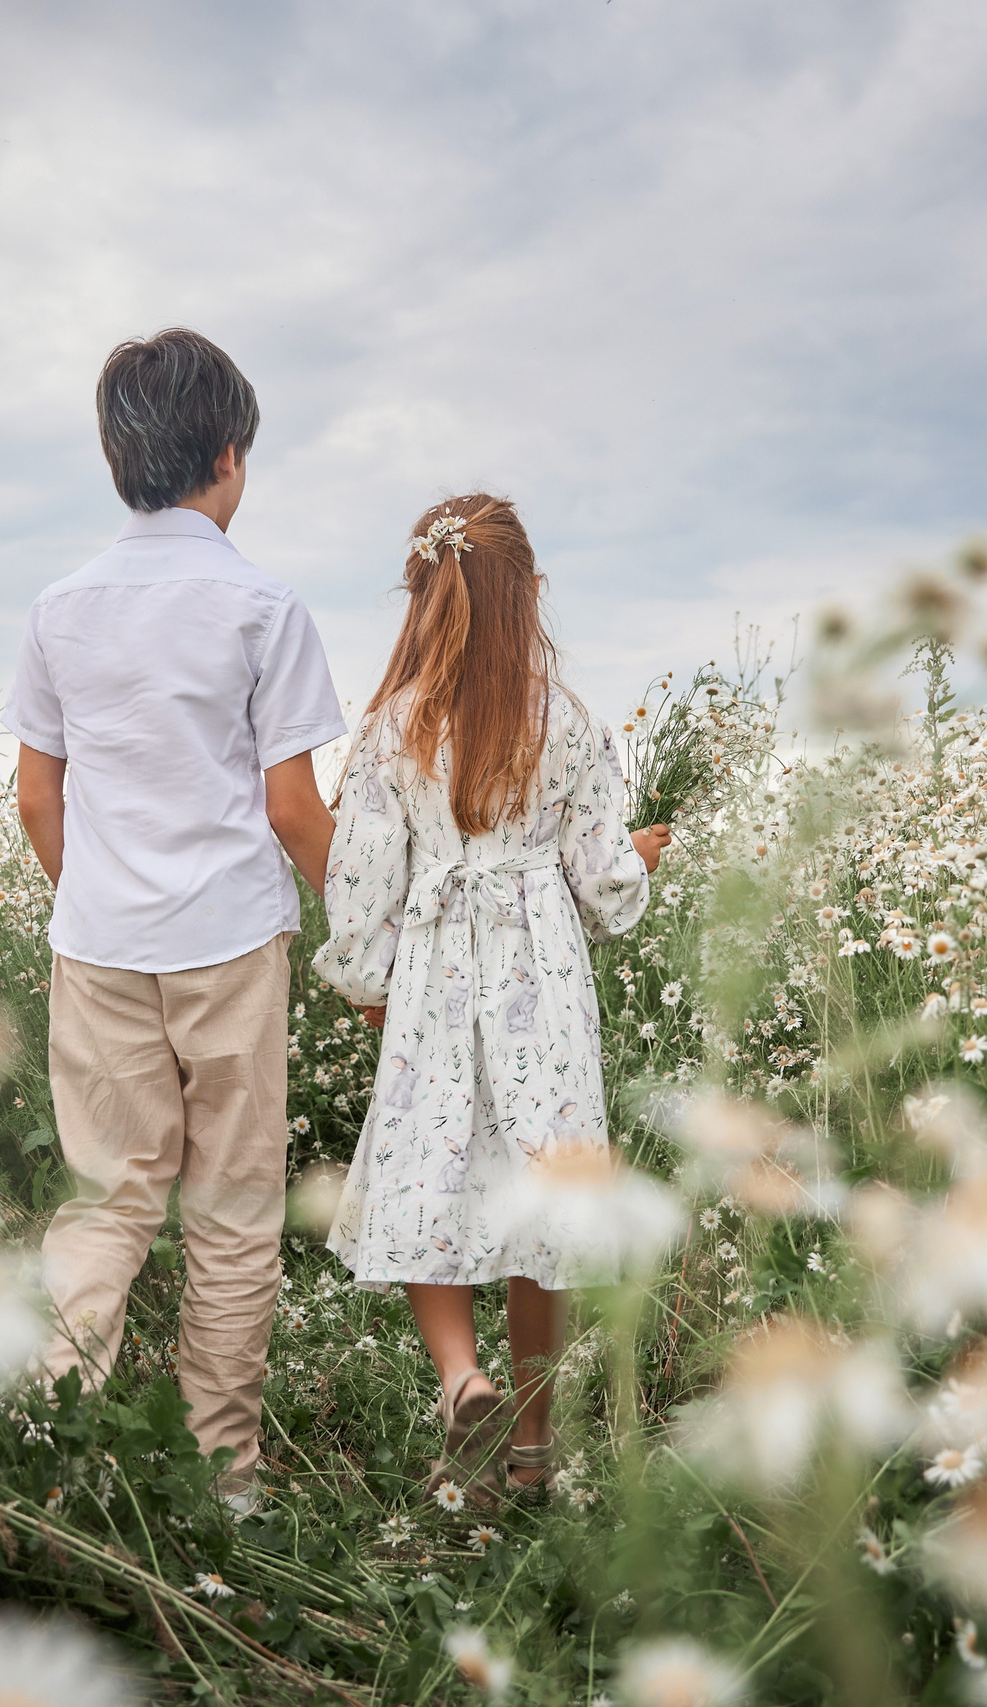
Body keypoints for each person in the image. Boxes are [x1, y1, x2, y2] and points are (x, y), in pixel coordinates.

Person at [5, 328, 349, 1509]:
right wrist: (362, 935)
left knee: (106, 1202)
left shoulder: (60, 609)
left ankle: (46, 1446)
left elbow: (36, 797)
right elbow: (295, 810)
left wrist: (97, 895)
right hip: (233, 944)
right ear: (228, 455)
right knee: (233, 1215)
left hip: (99, 947)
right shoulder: (263, 605)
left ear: (116, 459)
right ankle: (225, 1482)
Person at [312, 493, 670, 1499]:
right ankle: (529, 1454)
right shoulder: (566, 722)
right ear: (532, 596)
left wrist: (362, 980)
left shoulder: (393, 725)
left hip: (435, 976)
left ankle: (461, 1379)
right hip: (540, 980)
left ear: (422, 593)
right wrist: (637, 860)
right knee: (539, 1197)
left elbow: (363, 878)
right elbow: (599, 886)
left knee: (435, 1170)